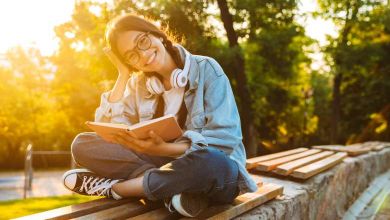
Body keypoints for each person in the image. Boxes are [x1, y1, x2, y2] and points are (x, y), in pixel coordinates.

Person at [62, 14, 257, 217]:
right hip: (166, 167)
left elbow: (226, 141)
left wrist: (165, 148)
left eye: (143, 42)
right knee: (82, 144)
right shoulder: (137, 85)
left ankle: (119, 189)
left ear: (157, 34)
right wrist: (122, 75)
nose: (143, 55)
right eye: (132, 56)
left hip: (215, 173)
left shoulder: (207, 68)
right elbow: (111, 133)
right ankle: (170, 191)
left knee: (211, 160)